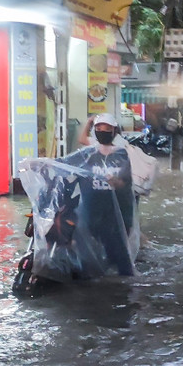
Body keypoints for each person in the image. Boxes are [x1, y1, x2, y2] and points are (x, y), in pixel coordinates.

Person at [62, 113, 136, 275]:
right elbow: (64, 163)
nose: (102, 131)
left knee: (118, 253)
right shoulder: (88, 153)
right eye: (99, 128)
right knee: (88, 248)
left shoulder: (122, 153)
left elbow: (125, 182)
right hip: (92, 210)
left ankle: (122, 284)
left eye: (106, 128)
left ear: (114, 131)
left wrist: (116, 182)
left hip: (115, 213)